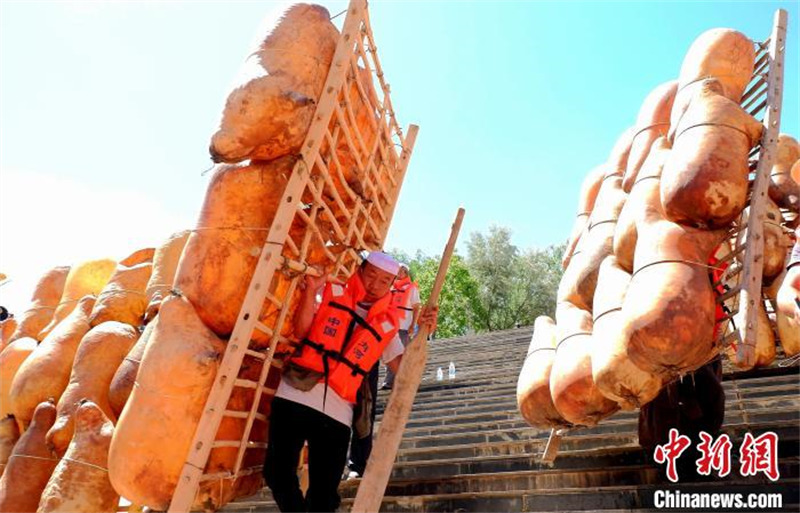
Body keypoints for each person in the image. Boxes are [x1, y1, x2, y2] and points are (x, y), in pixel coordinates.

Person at [263, 251, 438, 512]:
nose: (374, 286)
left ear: (392, 285)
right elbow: (301, 331)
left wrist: (421, 334)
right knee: (277, 473)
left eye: (384, 282)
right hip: (295, 395)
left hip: (338, 412)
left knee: (324, 496)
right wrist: (311, 292)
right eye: (371, 276)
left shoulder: (387, 326)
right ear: (360, 271)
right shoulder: (331, 293)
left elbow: (403, 372)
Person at [381, 264, 421, 390]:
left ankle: (402, 381)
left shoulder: (412, 288)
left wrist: (413, 325)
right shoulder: (391, 287)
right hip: (390, 326)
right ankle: (389, 382)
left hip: (404, 326)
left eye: (402, 270)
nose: (399, 272)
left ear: (406, 273)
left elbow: (416, 308)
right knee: (391, 354)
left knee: (401, 354)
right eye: (398, 270)